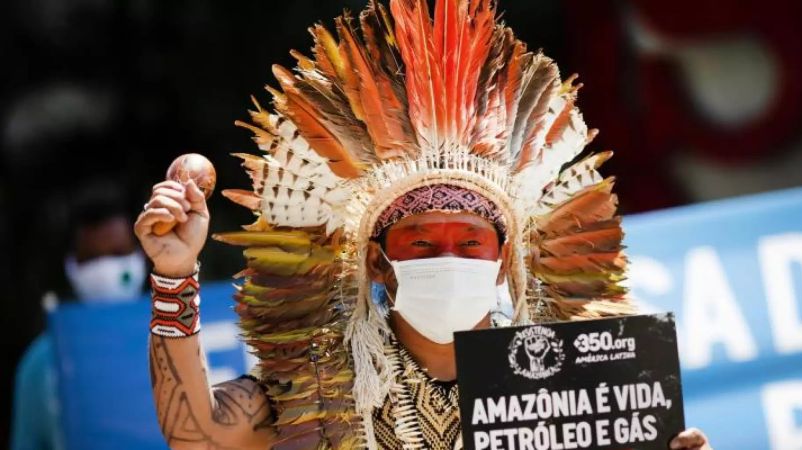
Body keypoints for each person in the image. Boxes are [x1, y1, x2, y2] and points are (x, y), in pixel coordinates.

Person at [134, 0, 714, 448]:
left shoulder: (566, 384)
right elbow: (197, 436)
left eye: (469, 242)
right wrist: (175, 276)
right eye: (421, 241)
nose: (448, 257)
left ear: (503, 259)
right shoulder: (325, 383)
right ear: (376, 260)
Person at [11, 183, 146, 450]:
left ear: (142, 255)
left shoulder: (188, 336)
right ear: (71, 266)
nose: (105, 270)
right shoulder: (41, 364)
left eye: (118, 254)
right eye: (91, 259)